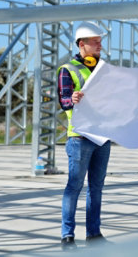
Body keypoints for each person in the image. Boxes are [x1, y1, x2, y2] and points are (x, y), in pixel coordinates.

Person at [57, 21, 111, 250]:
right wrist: (73, 100)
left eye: (100, 41)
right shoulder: (67, 70)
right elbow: (64, 100)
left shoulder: (104, 69)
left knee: (96, 187)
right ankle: (67, 236)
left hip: (102, 137)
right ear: (82, 44)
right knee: (74, 186)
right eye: (95, 42)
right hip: (79, 137)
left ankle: (94, 234)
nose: (100, 45)